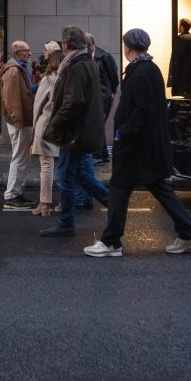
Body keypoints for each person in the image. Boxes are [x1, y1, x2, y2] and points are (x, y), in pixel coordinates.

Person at [84, 27, 191, 257]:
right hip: (146, 146)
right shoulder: (148, 69)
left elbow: (142, 110)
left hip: (136, 146)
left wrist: (122, 133)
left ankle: (111, 242)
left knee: (120, 189)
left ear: (128, 47)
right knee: (157, 188)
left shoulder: (141, 72)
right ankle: (188, 233)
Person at [40, 26, 109, 237]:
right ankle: (114, 204)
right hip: (80, 132)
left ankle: (67, 223)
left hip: (74, 133)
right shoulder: (86, 63)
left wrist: (53, 126)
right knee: (82, 176)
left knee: (64, 177)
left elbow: (73, 102)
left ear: (66, 45)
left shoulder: (77, 66)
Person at [0, 40, 35, 210]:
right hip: (20, 122)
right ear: (16, 53)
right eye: (25, 51)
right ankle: (12, 195)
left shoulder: (20, 69)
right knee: (19, 158)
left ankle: (17, 192)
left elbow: (25, 93)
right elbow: (12, 100)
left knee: (22, 158)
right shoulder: (13, 71)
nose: (29, 53)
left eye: (29, 50)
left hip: (23, 120)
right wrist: (19, 121)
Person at [29, 41, 62, 217]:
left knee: (46, 165)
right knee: (63, 165)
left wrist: (34, 131)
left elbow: (38, 106)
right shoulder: (65, 78)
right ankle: (64, 201)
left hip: (46, 124)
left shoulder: (48, 79)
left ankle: (44, 204)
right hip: (61, 126)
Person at [89, 35, 119, 163]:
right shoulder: (86, 57)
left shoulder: (104, 56)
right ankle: (103, 155)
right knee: (97, 124)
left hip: (103, 94)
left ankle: (99, 155)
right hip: (93, 96)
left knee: (98, 123)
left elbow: (113, 75)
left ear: (92, 45)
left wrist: (112, 91)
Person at [168, 17, 191, 96]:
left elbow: (178, 57)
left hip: (182, 78)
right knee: (190, 101)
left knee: (180, 101)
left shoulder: (180, 38)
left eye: (179, 25)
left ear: (181, 27)